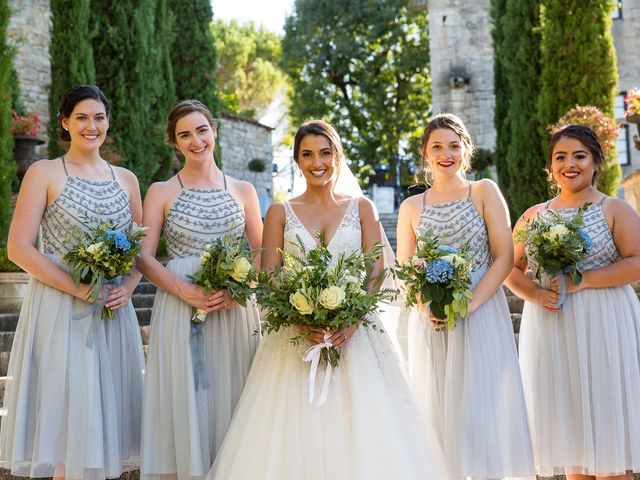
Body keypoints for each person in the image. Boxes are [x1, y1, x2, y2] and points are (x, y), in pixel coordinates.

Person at [205, 119, 451, 480]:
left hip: (358, 338)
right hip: (294, 339)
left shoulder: (362, 207)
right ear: (297, 161)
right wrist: (298, 319)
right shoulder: (279, 212)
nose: (317, 162)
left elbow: (377, 275)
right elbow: (269, 279)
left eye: (324, 153)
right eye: (307, 154)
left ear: (338, 156)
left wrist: (351, 322)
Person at [0, 84, 144, 480]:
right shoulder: (44, 172)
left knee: (103, 426)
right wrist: (80, 288)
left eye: (99, 117)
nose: (91, 125)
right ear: (65, 123)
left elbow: (139, 254)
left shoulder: (127, 180)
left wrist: (127, 288)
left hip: (113, 313)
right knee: (69, 424)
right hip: (61, 309)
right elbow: (19, 248)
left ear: (108, 122)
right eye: (81, 117)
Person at [396, 113, 534, 479]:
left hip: (481, 313)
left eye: (454, 146)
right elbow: (406, 267)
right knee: (440, 412)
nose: (446, 154)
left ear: (465, 151)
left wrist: (470, 304)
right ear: (425, 153)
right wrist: (428, 307)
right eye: (437, 147)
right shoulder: (411, 207)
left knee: (482, 411)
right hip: (435, 321)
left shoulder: (484, 191)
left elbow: (503, 256)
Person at [505, 124, 640, 480]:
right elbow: (507, 266)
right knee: (572, 446)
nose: (570, 164)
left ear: (596, 162)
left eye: (579, 156)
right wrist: (534, 293)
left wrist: (583, 281)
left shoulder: (614, 209)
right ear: (550, 166)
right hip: (554, 327)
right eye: (560, 157)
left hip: (605, 326)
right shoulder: (533, 216)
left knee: (609, 442)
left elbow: (637, 262)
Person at [139, 100, 262, 480]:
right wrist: (183, 290)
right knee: (186, 399)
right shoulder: (160, 191)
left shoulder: (244, 190)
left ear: (214, 131)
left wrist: (237, 293)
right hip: (179, 309)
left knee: (235, 398)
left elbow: (262, 257)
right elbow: (143, 258)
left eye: (201, 130)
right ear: (174, 143)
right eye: (185, 135)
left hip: (233, 313)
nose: (196, 141)